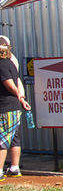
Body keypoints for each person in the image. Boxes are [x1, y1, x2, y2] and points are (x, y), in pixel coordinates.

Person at [0, 35, 30, 181]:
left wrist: (19, 96)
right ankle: (14, 167)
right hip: (13, 106)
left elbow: (10, 83)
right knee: (13, 138)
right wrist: (22, 98)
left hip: (5, 106)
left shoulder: (2, 65)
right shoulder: (12, 62)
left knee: (2, 139)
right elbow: (17, 81)